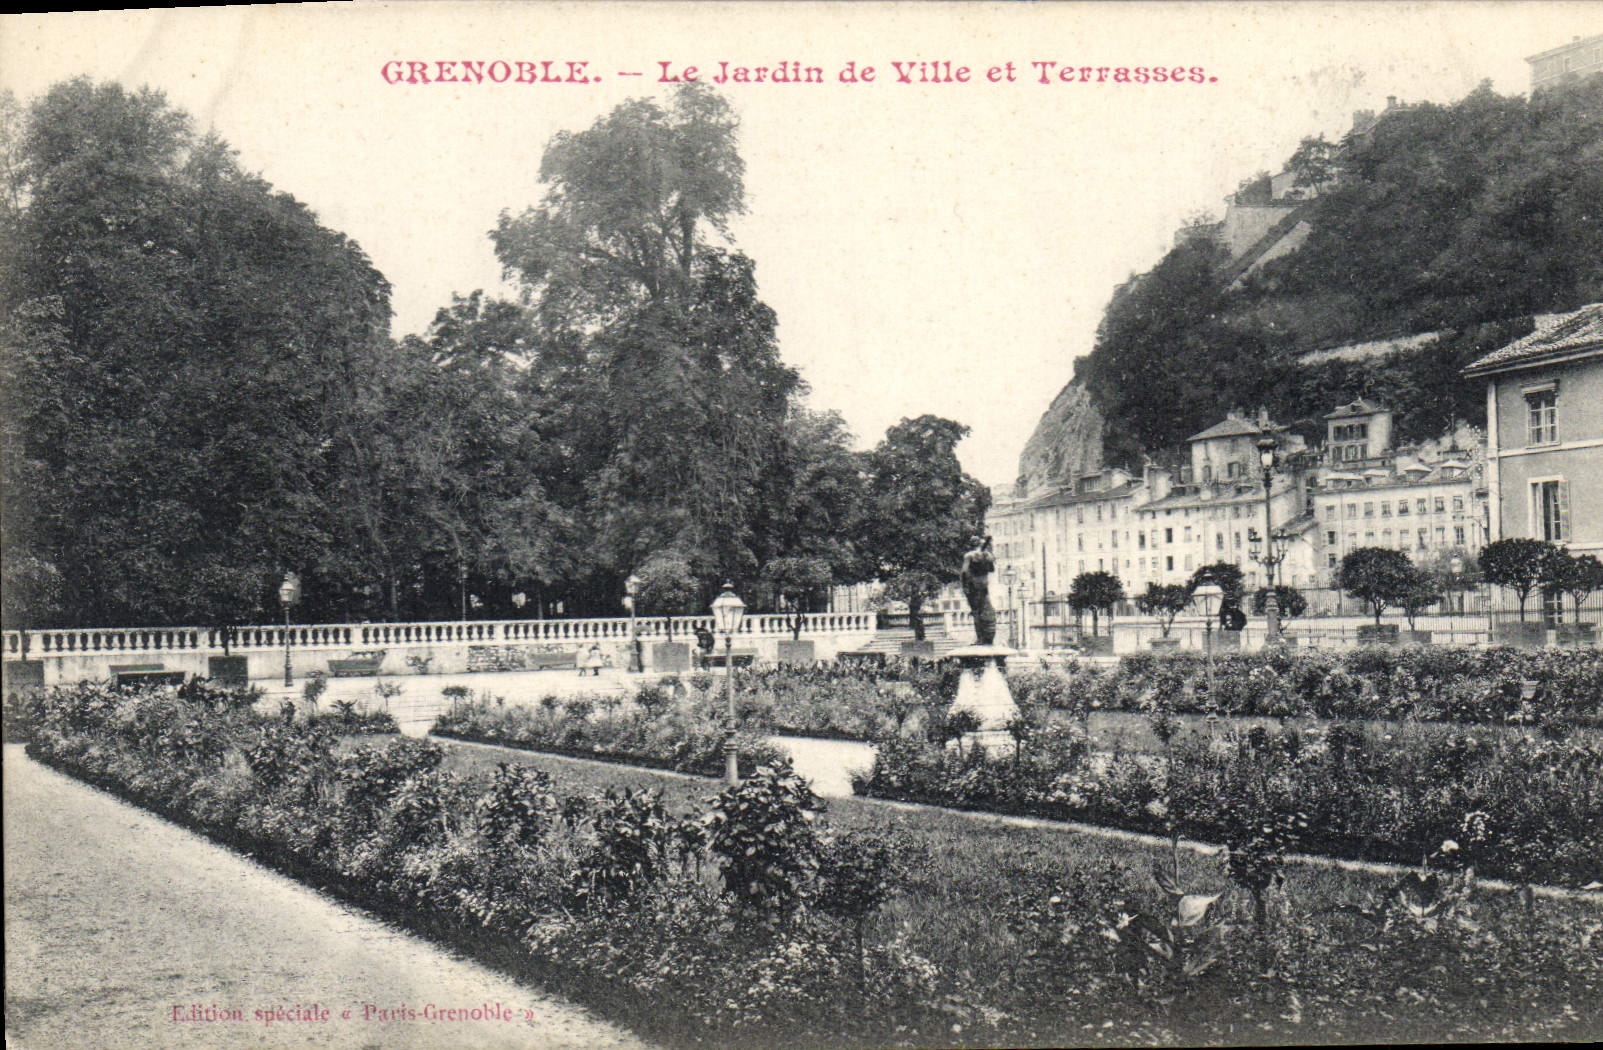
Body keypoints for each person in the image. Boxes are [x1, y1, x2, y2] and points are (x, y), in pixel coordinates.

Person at [960, 534, 998, 646]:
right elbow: (992, 569)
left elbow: (964, 572)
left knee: (976, 611)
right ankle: (986, 638)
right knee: (984, 609)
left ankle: (980, 638)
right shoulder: (987, 555)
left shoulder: (969, 555)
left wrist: (964, 586)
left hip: (973, 585)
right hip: (984, 585)